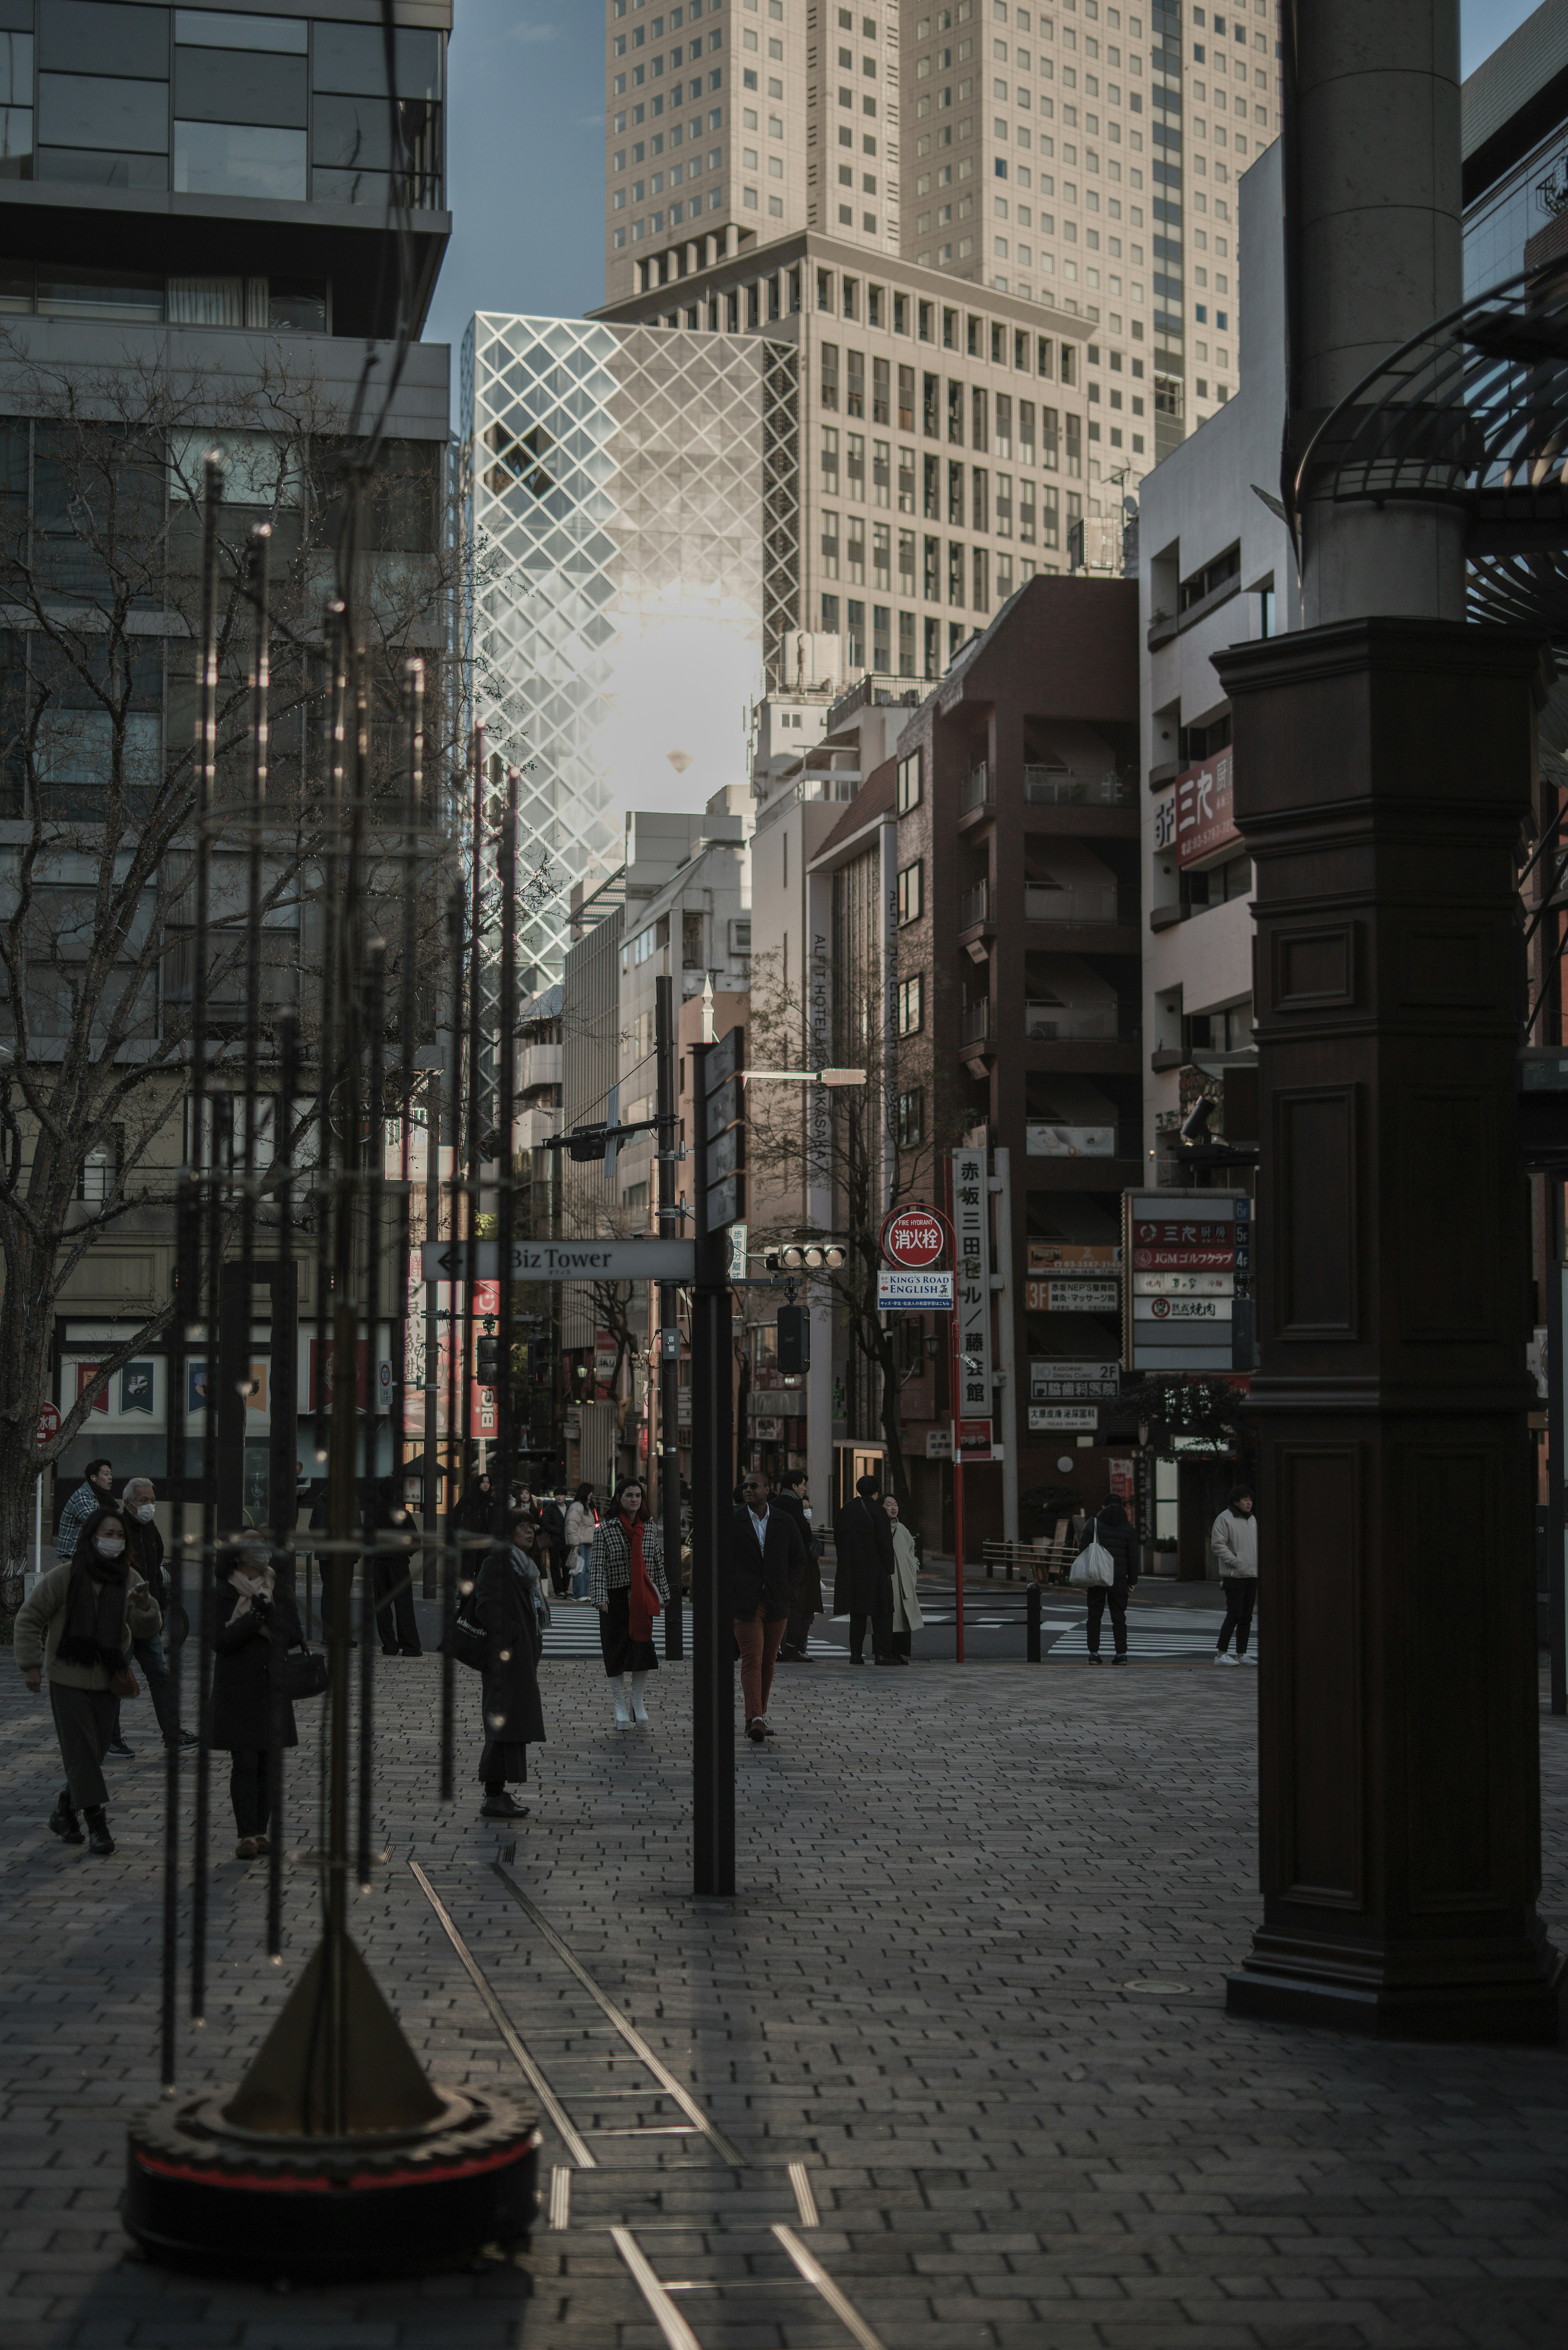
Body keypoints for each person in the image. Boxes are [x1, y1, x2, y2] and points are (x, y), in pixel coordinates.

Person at [16, 1500, 161, 1856]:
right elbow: (30, 1618)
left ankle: (64, 1812)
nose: (114, 1540)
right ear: (92, 1537)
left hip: (109, 1679)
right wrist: (31, 1664)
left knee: (93, 1755)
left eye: (119, 1535)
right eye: (107, 1534)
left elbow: (147, 1629)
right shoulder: (65, 1576)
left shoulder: (130, 1579)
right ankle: (97, 1824)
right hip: (67, 1677)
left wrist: (145, 1606)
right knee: (81, 1751)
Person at [209, 1537, 305, 1860]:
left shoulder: (279, 1587)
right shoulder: (224, 1592)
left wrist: (271, 1614)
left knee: (268, 1762)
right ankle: (246, 1834)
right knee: (245, 1762)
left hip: (271, 1686)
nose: (262, 1553)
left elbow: (294, 1635)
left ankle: (261, 1831)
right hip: (237, 1687)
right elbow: (220, 1641)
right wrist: (255, 1619)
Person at [473, 1509, 549, 1818]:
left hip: (520, 1658)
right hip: (506, 1659)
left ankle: (498, 1792)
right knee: (503, 1724)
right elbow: (485, 1607)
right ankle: (493, 1794)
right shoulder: (497, 1564)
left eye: (531, 1526)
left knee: (512, 1724)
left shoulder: (525, 1566)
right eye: (521, 1526)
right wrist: (515, 1635)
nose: (530, 1531)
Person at [111, 1478, 194, 1755]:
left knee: (160, 1674)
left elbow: (156, 1568)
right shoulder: (116, 1530)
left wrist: (161, 1606)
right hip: (122, 1619)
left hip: (148, 1618)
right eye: (144, 1501)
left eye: (152, 1500)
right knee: (118, 1677)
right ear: (128, 1503)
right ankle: (111, 1737)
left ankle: (172, 1733)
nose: (149, 1506)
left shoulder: (150, 1529)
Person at [586, 1476, 668, 1729]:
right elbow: (597, 1565)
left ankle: (638, 1701)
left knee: (641, 1646)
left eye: (638, 1496)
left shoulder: (649, 1526)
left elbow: (656, 1560)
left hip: (641, 1595)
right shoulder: (606, 1529)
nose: (634, 1500)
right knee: (616, 1648)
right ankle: (620, 1704)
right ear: (619, 1499)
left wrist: (664, 1593)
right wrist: (599, 1596)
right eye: (629, 1496)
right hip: (615, 1597)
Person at [733, 1470, 808, 1741]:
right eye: (745, 1486)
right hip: (746, 1602)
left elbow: (800, 1559)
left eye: (754, 1486)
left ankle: (757, 1717)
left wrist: (788, 1588)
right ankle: (756, 1718)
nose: (748, 1490)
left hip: (777, 1600)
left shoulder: (784, 1521)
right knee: (752, 1658)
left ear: (768, 1489)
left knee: (769, 1660)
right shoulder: (735, 1520)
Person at [833, 1472, 898, 1665]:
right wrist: (889, 1569)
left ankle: (855, 1654)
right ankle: (882, 1654)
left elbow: (838, 1539)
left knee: (857, 1614)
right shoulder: (878, 1512)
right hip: (876, 1570)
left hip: (852, 1570)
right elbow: (886, 1544)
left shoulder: (847, 1509)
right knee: (882, 1613)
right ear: (876, 1491)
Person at [1076, 1496, 1140, 1663]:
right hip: (1118, 1579)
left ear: (1103, 1506)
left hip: (1097, 1577)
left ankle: (1094, 1654)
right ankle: (1121, 1654)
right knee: (1119, 1617)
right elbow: (1133, 1557)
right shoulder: (1128, 1528)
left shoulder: (1094, 1524)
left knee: (1094, 1616)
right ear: (1122, 1507)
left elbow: (1082, 1550)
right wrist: (1132, 1581)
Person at [364, 1475, 422, 1656]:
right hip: (399, 1563)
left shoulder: (374, 1511)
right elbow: (416, 1541)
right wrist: (406, 1552)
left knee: (383, 1606)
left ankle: (390, 1645)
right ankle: (410, 1646)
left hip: (381, 1563)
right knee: (404, 1606)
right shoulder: (402, 1512)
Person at [774, 1469, 822, 1663]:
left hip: (776, 1563)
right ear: (794, 1486)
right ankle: (792, 1647)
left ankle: (778, 1646)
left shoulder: (774, 1503)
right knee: (797, 1608)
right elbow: (805, 1533)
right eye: (803, 1485)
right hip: (795, 1566)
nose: (804, 1488)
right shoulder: (793, 1505)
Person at [1212, 1487, 1258, 1664]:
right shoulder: (1225, 1518)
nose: (1249, 1503)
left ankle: (1242, 1654)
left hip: (1251, 1574)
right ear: (1235, 1502)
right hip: (1234, 1575)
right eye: (1245, 1500)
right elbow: (1218, 1545)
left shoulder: (1252, 1519)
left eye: (1250, 1500)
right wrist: (1234, 1561)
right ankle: (1221, 1654)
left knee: (1247, 1616)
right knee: (1234, 1614)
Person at [883, 1494, 923, 1665]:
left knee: (903, 1620)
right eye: (889, 1505)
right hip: (888, 1581)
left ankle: (899, 1653)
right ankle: (888, 1652)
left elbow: (912, 1552)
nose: (894, 1508)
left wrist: (914, 1567)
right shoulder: (879, 1528)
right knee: (890, 1619)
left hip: (904, 1581)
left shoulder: (903, 1530)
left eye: (895, 1504)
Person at [55, 1456, 115, 1565]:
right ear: (94, 1478)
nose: (110, 1478)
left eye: (111, 1474)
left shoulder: (98, 1496)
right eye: (106, 1474)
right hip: (73, 1556)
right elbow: (95, 1522)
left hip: (85, 1554)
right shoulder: (82, 1496)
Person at [564, 1483, 598, 1596]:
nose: (592, 1494)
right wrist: (575, 1544)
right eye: (590, 1492)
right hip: (580, 1542)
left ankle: (585, 1594)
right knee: (580, 1569)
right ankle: (580, 1594)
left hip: (587, 1542)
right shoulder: (577, 1507)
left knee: (587, 1569)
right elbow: (572, 1526)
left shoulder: (586, 1507)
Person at [536, 1489, 568, 1597]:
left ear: (565, 1496)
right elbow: (545, 1524)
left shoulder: (569, 1508)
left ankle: (566, 1588)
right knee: (555, 1566)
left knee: (567, 1565)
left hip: (567, 1541)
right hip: (554, 1540)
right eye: (557, 1495)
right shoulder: (550, 1508)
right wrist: (559, 1530)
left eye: (561, 1495)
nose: (559, 1497)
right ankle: (559, 1590)